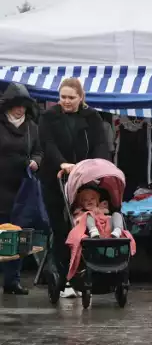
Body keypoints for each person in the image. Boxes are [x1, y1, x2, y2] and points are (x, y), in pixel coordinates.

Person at [39, 78, 110, 295]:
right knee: (61, 228)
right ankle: (64, 277)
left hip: (85, 180)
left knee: (85, 225)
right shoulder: (48, 117)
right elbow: (47, 144)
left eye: (71, 97)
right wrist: (62, 163)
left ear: (81, 97)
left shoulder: (92, 116)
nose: (66, 101)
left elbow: (100, 143)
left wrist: (96, 165)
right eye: (63, 97)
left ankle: (88, 274)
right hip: (56, 178)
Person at [0, 84, 43, 295]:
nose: (20, 110)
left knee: (18, 232)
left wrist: (36, 161)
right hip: (1, 185)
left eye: (23, 106)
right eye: (16, 106)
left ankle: (12, 280)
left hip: (22, 187)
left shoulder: (32, 127)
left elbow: (39, 151)